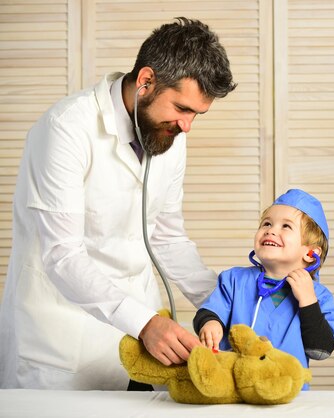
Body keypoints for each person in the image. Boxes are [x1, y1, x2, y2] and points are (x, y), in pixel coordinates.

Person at [0, 17, 236, 390]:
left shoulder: (170, 134)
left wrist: (230, 302)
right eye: (182, 108)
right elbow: (62, 255)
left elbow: (167, 239)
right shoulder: (65, 129)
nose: (187, 126)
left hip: (136, 341)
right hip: (63, 343)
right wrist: (144, 322)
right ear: (146, 81)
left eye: (196, 114)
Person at [193, 189, 334, 388]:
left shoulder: (319, 297)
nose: (271, 230)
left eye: (286, 226)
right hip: (235, 389)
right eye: (267, 223)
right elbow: (210, 311)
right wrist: (211, 324)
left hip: (288, 395)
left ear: (310, 254)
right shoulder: (234, 280)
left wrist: (308, 302)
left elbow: (320, 350)